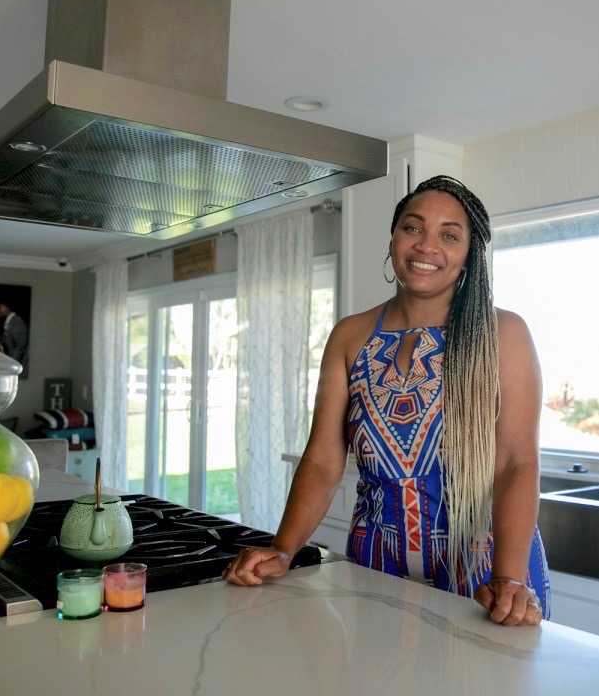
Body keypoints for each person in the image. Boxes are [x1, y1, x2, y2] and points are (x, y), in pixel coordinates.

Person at [223, 175, 550, 626]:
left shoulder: (503, 334)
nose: (426, 246)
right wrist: (284, 547)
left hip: (483, 579)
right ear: (394, 238)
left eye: (449, 235)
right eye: (413, 228)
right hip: (377, 569)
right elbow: (322, 459)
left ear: (470, 254)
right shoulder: (349, 336)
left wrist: (509, 578)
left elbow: (516, 461)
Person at [0, 300, 28, 370]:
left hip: (14, 364)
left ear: (7, 307)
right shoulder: (7, 321)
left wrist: (12, 363)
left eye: (1, 307)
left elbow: (20, 346)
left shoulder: (17, 322)